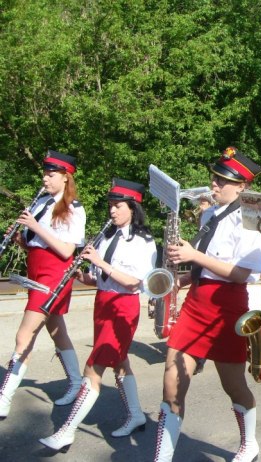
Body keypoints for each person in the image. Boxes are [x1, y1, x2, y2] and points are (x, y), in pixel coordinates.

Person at [153, 147, 261, 462]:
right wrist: (185, 278)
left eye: (221, 180)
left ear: (242, 186)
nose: (213, 185)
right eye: (214, 178)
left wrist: (194, 256)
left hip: (227, 307)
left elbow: (242, 273)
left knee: (234, 386)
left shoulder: (252, 217)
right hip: (196, 302)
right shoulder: (208, 213)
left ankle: (249, 443)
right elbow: (207, 265)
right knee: (171, 382)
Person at [39, 178, 157, 451]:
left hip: (123, 307)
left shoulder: (144, 241)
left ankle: (66, 430)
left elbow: (133, 282)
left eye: (118, 206)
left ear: (133, 207)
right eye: (111, 206)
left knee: (93, 369)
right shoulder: (107, 235)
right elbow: (102, 277)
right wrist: (84, 275)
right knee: (120, 362)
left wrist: (99, 262)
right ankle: (136, 414)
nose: (112, 211)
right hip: (102, 302)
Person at [0, 151, 86, 420]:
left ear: (65, 177)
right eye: (45, 173)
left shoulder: (74, 208)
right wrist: (20, 239)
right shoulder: (43, 203)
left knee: (24, 335)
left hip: (54, 273)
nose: (45, 178)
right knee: (56, 329)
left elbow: (65, 250)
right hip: (36, 269)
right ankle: (75, 382)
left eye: (51, 174)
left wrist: (35, 227)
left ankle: (5, 397)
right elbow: (37, 244)